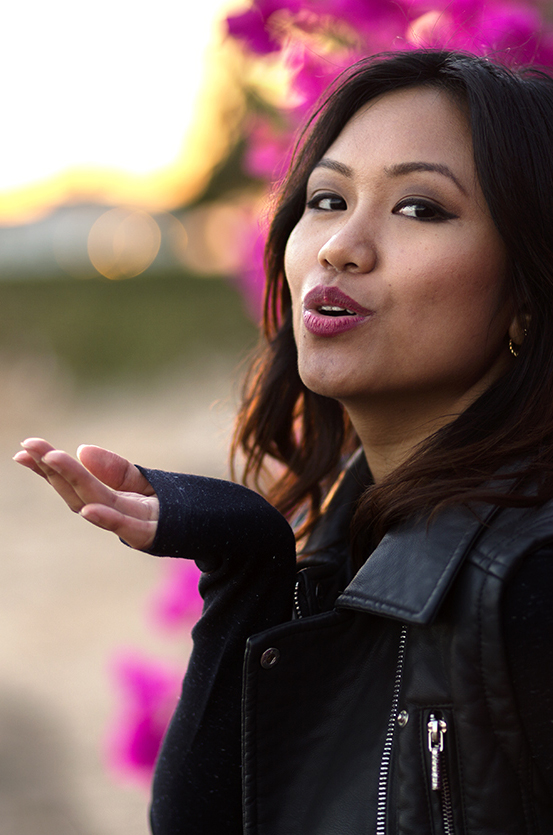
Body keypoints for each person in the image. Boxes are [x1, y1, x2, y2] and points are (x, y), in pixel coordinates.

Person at [14, 49, 553, 834]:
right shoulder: (349, 554)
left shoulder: (528, 582)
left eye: (418, 208)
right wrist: (246, 565)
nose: (340, 245)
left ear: (527, 297)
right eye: (326, 199)